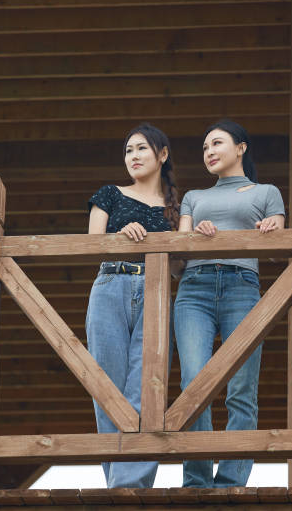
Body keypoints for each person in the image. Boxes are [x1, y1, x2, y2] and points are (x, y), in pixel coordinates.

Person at [174, 119, 285, 487]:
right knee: (194, 384)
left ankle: (232, 481)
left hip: (242, 286)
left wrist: (271, 228)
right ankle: (197, 479)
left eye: (217, 143)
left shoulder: (266, 192)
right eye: (205, 148)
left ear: (241, 148)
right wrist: (197, 235)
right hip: (194, 289)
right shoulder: (193, 197)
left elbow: (278, 245)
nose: (209, 152)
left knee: (241, 387)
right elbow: (180, 247)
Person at [85, 122, 179, 488]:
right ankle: (121, 484)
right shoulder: (109, 194)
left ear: (162, 154)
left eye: (141, 149)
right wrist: (121, 236)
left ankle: (128, 486)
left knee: (147, 388)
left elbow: (181, 266)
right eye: (128, 151)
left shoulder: (177, 207)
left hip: (156, 291)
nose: (134, 156)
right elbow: (92, 243)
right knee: (106, 388)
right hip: (110, 285)